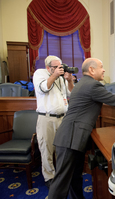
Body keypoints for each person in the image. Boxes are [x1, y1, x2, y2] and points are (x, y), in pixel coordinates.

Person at [48, 58, 115, 199]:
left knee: (74, 178)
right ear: (91, 70)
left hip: (72, 138)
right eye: (101, 66)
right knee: (61, 183)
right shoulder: (93, 85)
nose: (104, 70)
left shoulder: (82, 83)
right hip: (70, 138)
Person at [32, 55, 74, 188]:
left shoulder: (61, 78)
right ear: (48, 67)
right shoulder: (40, 74)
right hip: (47, 118)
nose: (58, 69)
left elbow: (71, 92)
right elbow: (43, 88)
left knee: (61, 148)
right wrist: (55, 75)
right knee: (47, 149)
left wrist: (69, 80)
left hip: (62, 118)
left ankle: (61, 175)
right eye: (55, 67)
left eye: (60, 67)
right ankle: (49, 177)